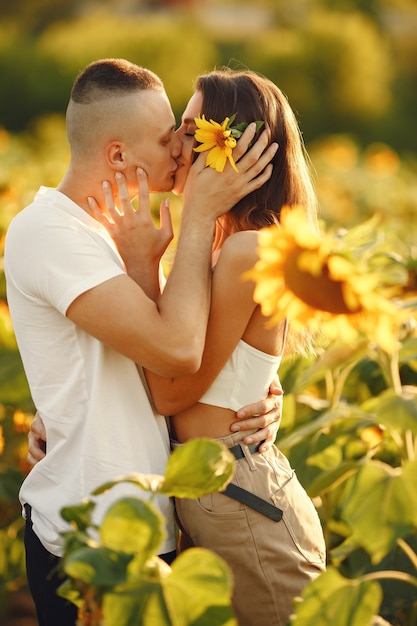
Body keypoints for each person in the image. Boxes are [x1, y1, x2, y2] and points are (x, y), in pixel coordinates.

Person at [4, 59, 282, 626]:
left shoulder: (115, 234)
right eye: (166, 138)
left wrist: (260, 390)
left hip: (154, 526)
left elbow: (168, 359)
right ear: (117, 157)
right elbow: (176, 350)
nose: (182, 150)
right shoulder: (48, 232)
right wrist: (200, 212)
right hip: (92, 539)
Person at [93, 68, 327, 626]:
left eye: (192, 131)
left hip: (240, 498)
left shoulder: (246, 249)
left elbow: (172, 391)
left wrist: (145, 269)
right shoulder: (224, 243)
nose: (175, 143)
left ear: (236, 149)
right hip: (218, 495)